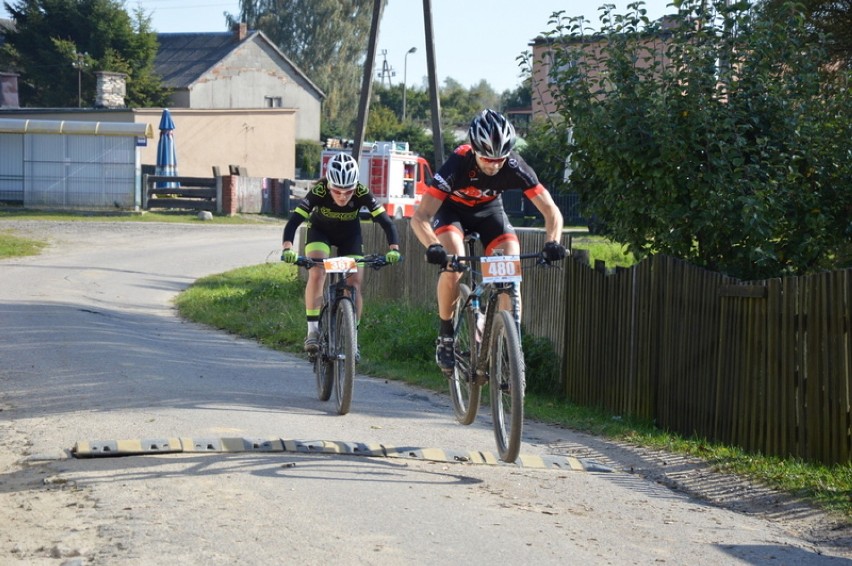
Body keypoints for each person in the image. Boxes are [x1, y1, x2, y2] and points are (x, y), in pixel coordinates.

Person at [411, 109, 567, 372]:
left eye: (500, 159)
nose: (494, 165)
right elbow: (420, 216)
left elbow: (551, 210)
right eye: (487, 159)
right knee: (454, 264)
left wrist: (552, 242)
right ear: (473, 150)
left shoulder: (515, 166)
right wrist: (433, 246)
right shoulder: (458, 163)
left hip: (489, 213)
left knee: (510, 266)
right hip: (452, 213)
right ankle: (446, 336)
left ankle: (509, 349)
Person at [281, 152, 401, 352]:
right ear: (329, 185)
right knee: (317, 271)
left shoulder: (362, 192)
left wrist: (394, 249)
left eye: (348, 191)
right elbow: (294, 221)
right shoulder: (318, 191)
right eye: (337, 191)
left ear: (355, 186)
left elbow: (386, 222)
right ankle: (312, 331)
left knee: (354, 283)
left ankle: (352, 337)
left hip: (349, 237)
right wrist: (287, 248)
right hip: (320, 233)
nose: (343, 196)